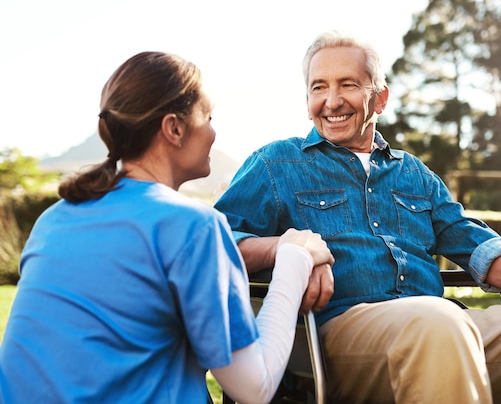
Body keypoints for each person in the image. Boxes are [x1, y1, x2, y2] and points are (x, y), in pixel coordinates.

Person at [213, 30, 501, 403]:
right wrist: (287, 247)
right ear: (307, 101)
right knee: (437, 321)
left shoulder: (414, 173)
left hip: (443, 328)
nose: (332, 100)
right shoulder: (275, 164)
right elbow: (215, 242)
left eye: (348, 85)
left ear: (379, 97)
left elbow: (471, 238)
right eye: (318, 87)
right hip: (339, 340)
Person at [0, 51, 334, 404]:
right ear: (174, 128)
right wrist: (294, 255)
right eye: (208, 116)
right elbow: (254, 387)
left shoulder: (54, 219)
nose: (214, 132)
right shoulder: (192, 226)